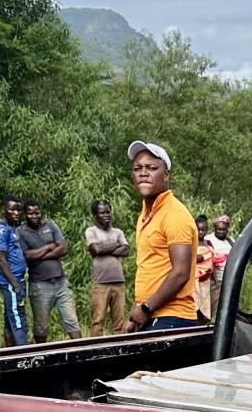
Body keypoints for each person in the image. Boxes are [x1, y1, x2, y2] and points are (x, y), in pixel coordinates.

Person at [124, 140, 198, 331]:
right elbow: (151, 268)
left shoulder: (174, 214)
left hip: (171, 318)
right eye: (137, 168)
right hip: (150, 315)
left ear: (166, 175)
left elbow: (180, 273)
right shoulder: (146, 215)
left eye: (151, 168)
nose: (143, 173)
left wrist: (146, 308)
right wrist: (137, 310)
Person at [18, 200, 80, 342]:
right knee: (41, 326)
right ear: (25, 214)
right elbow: (26, 255)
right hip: (40, 285)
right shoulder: (21, 231)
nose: (34, 216)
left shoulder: (50, 225)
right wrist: (49, 247)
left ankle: (81, 350)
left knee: (72, 321)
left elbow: (63, 247)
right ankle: (41, 356)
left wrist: (41, 255)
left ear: (41, 212)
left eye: (37, 213)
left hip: (61, 282)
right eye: (30, 213)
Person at [85, 199, 130, 336]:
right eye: (102, 213)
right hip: (100, 284)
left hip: (119, 282)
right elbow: (96, 249)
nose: (106, 215)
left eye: (108, 212)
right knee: (97, 321)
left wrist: (105, 247)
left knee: (119, 322)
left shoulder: (118, 232)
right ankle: (95, 351)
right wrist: (116, 245)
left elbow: (126, 250)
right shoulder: (91, 231)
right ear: (95, 215)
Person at [0, 196, 29, 346]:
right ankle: (24, 351)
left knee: (9, 317)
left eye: (18, 210)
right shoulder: (0, 229)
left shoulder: (12, 228)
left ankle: (10, 351)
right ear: (3, 210)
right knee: (18, 316)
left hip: (17, 279)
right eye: (12, 209)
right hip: (10, 282)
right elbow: (1, 258)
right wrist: (15, 284)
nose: (16, 213)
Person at [203, 214, 233, 321]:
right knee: (208, 309)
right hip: (212, 280)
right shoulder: (208, 240)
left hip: (226, 280)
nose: (221, 232)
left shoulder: (230, 241)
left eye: (224, 230)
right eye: (219, 229)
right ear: (215, 228)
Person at [194, 214, 216, 323]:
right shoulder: (191, 243)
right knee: (195, 303)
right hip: (194, 279)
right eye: (198, 229)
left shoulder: (208, 243)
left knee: (205, 303)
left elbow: (212, 262)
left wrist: (214, 278)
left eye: (203, 229)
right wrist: (198, 257)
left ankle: (203, 323)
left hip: (206, 280)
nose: (200, 232)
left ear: (207, 230)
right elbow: (190, 258)